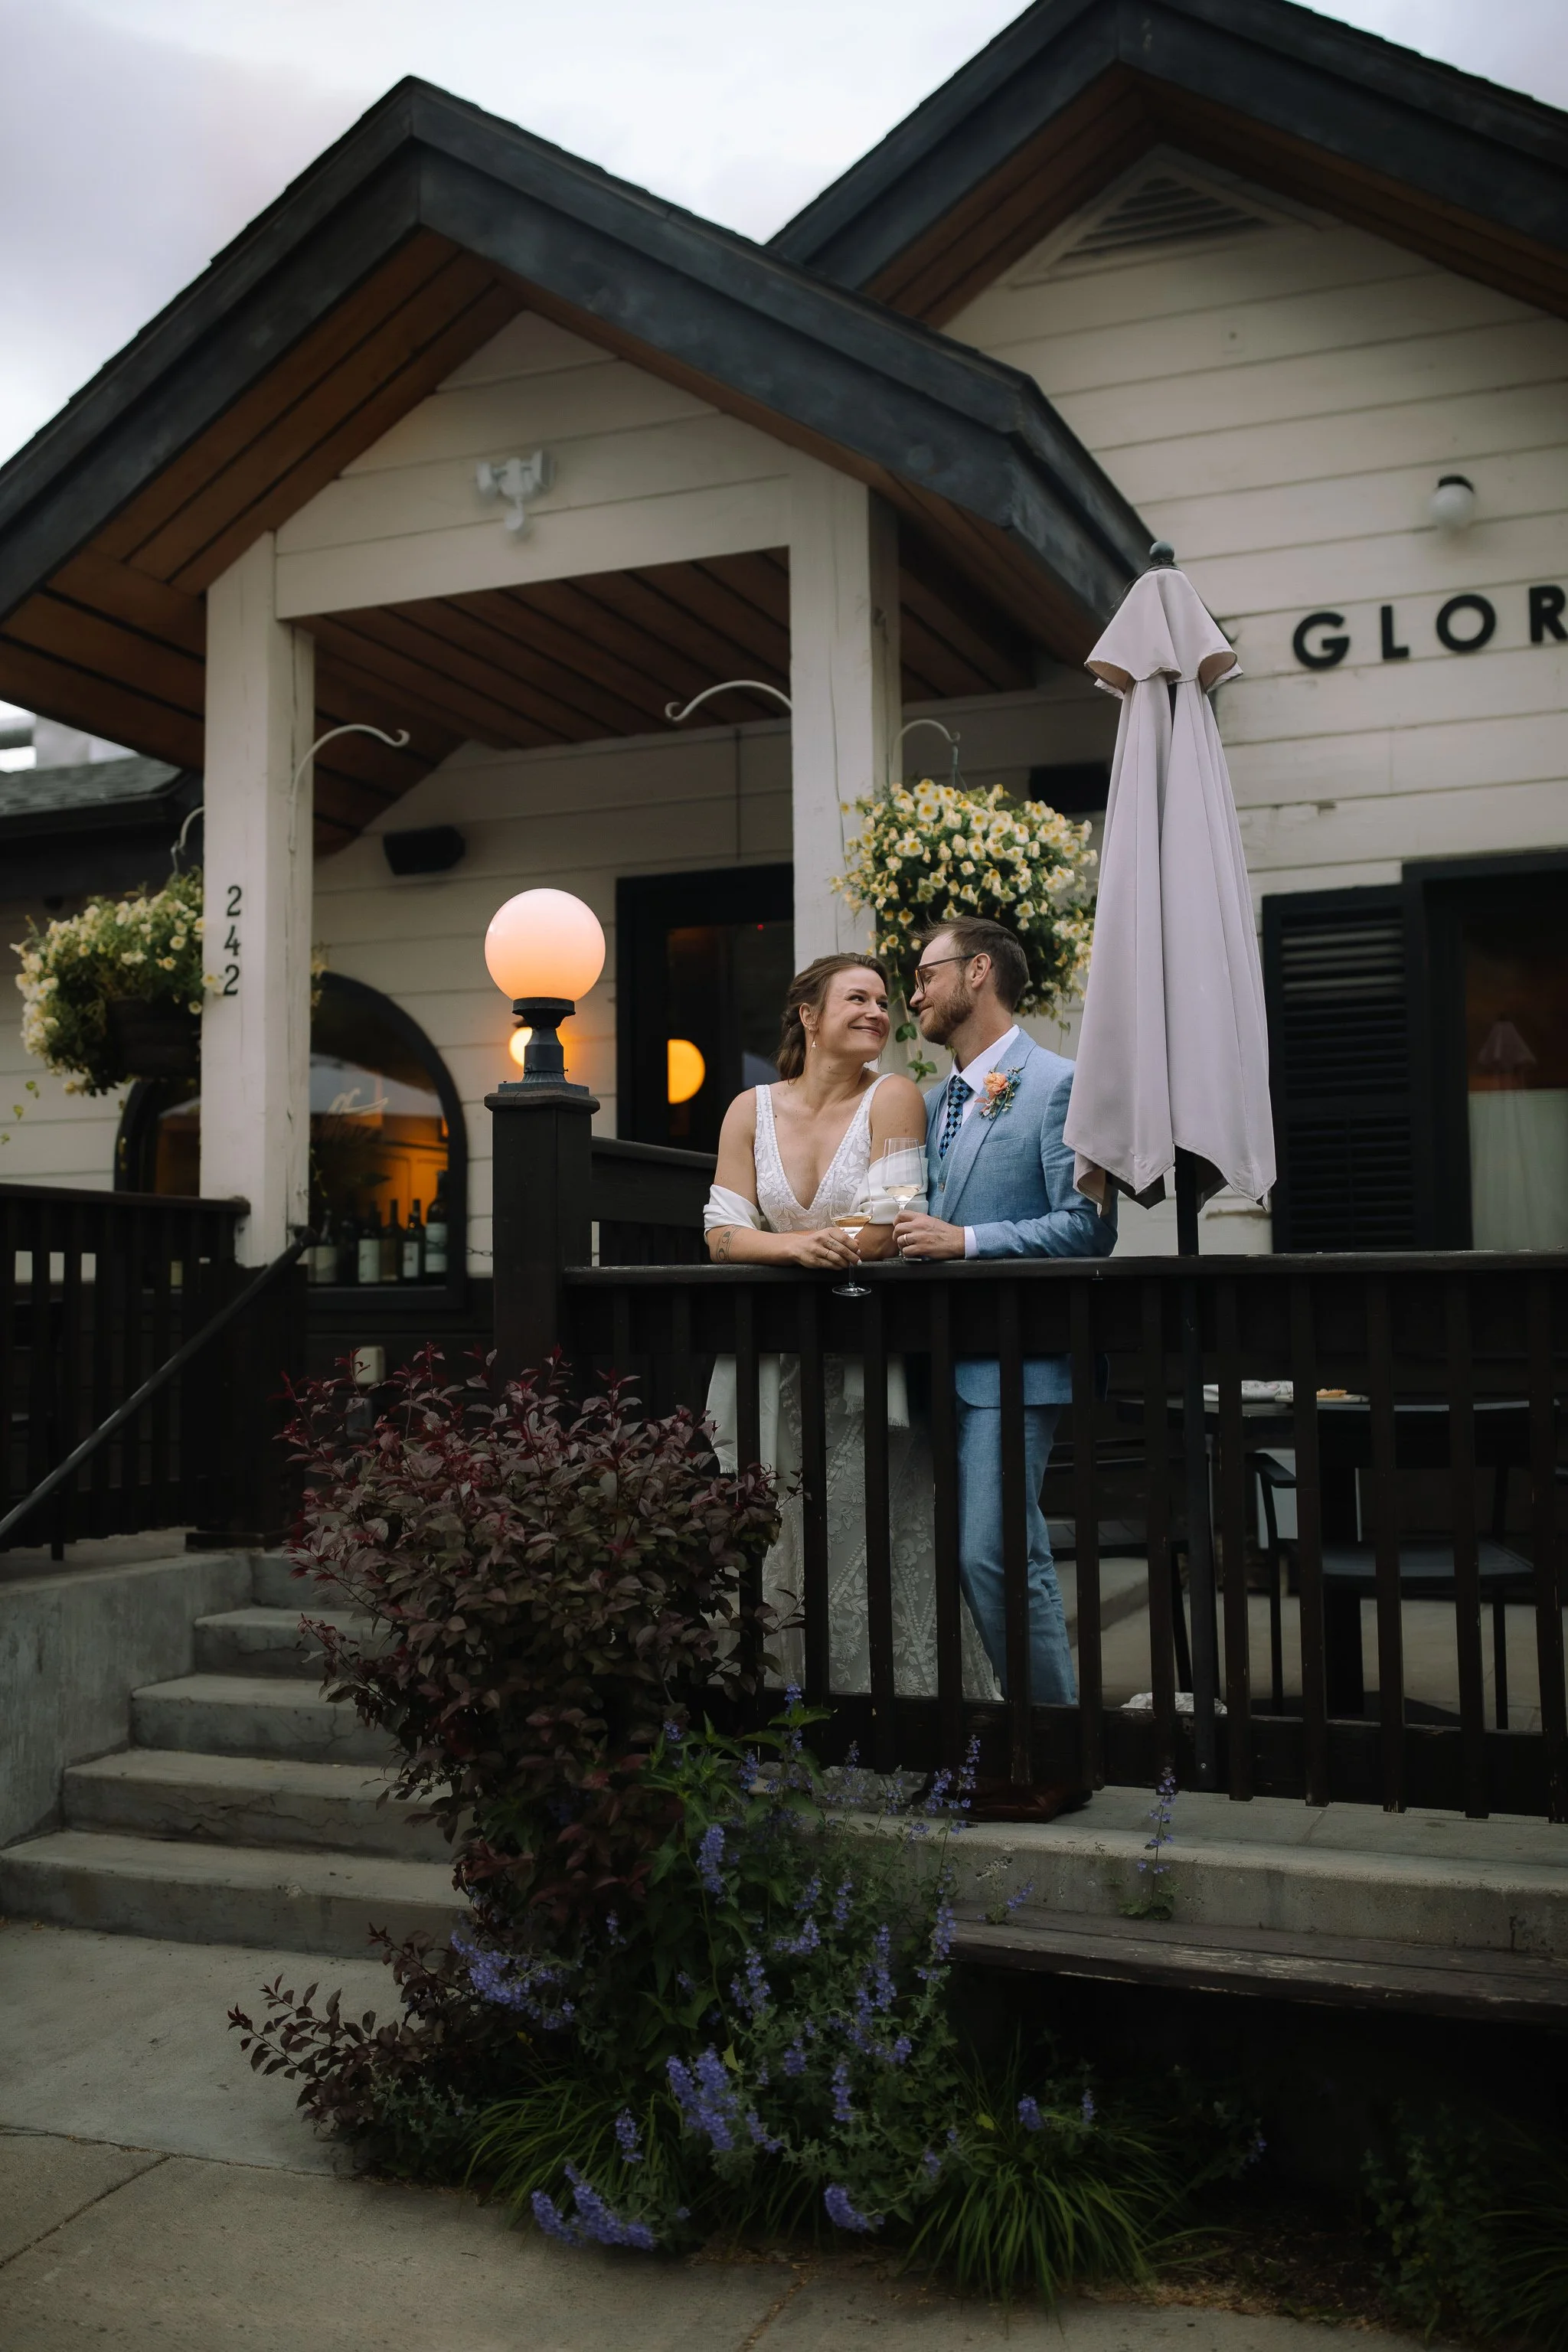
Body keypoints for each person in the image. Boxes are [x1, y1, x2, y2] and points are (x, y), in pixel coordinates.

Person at [703, 952, 995, 1697]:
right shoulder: (750, 1109)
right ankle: (778, 1703)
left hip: (863, 1353)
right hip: (769, 1356)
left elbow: (888, 1220)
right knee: (772, 1526)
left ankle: (891, 1711)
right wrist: (796, 1246)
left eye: (883, 1002)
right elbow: (721, 1231)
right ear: (808, 1015)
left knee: (866, 1531)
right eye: (856, 998)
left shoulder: (892, 1095)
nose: (877, 1012)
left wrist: (796, 1245)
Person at [893, 918, 1116, 1801]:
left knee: (993, 1553)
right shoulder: (927, 1101)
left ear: (977, 972)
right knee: (978, 1555)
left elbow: (1088, 1225)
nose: (912, 994)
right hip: (930, 1368)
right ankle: (1030, 1745)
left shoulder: (1060, 1085)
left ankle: (1058, 1754)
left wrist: (967, 1240)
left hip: (1017, 1361)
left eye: (923, 974)